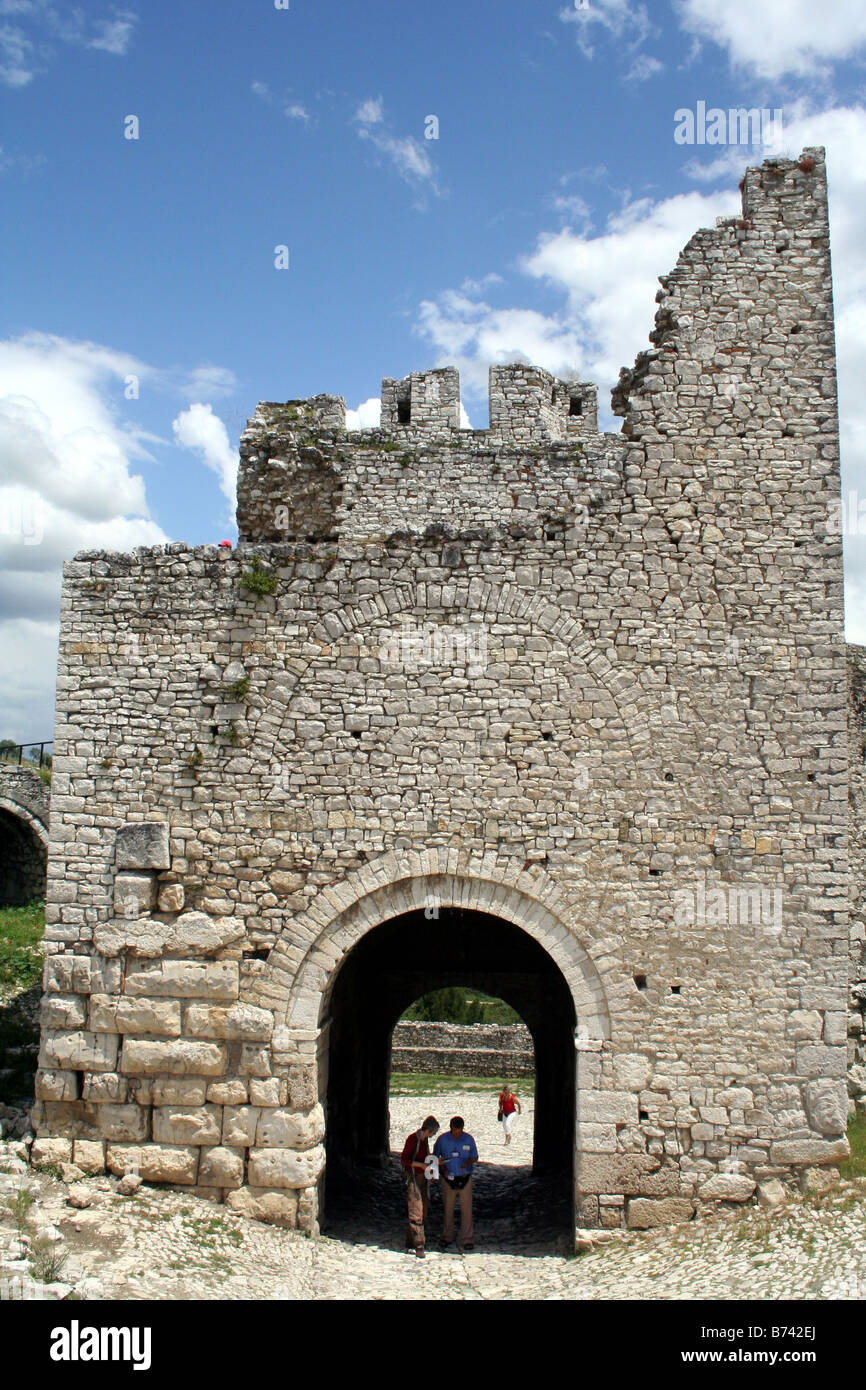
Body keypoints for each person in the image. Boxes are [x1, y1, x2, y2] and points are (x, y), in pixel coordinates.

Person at [433, 1115, 478, 1250]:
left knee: (467, 1210)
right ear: (451, 1128)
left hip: (465, 1177)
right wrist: (443, 1169)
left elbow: (475, 1156)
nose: (457, 1133)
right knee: (448, 1209)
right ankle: (447, 1236)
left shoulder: (469, 1139)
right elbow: (435, 1157)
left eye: (459, 1130)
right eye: (455, 1130)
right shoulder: (442, 1140)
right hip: (448, 1178)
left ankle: (467, 1238)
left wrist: (468, 1162)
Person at [400, 1115, 439, 1257]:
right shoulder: (413, 1140)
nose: (433, 1135)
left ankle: (410, 1240)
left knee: (424, 1209)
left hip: (423, 1178)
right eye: (432, 1133)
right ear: (427, 1130)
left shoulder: (424, 1141)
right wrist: (420, 1165)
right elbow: (404, 1159)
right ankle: (419, 1244)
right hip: (414, 1178)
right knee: (416, 1210)